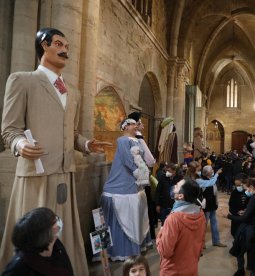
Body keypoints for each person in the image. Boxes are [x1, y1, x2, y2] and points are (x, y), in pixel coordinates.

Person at [0, 27, 111, 274]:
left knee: (63, 236)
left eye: (67, 46)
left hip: (65, 174)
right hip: (35, 176)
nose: (65, 50)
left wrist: (85, 144)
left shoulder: (73, 92)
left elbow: (69, 133)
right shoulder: (22, 80)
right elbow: (9, 130)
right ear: (44, 45)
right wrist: (20, 145)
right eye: (59, 44)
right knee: (33, 243)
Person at [101, 118, 150, 261]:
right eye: (133, 124)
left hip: (135, 184)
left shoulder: (137, 140)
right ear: (125, 126)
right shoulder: (123, 140)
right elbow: (127, 159)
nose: (136, 126)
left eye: (136, 124)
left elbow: (142, 157)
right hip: (123, 183)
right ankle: (120, 250)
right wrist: (138, 173)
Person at [2, 207, 73, 276]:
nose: (59, 222)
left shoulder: (57, 246)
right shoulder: (19, 266)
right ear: (46, 232)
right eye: (56, 220)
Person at [156, 179, 206, 275]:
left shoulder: (174, 219)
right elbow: (201, 244)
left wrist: (160, 234)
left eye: (177, 186)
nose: (174, 187)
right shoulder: (200, 214)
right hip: (191, 269)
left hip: (172, 271)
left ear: (180, 196)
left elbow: (165, 252)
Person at [227, 178, 255, 275]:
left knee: (252, 254)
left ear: (251, 187)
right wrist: (249, 211)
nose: (245, 191)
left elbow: (244, 218)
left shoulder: (254, 198)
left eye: (246, 188)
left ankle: (250, 272)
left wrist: (228, 216)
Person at [128, 112, 157, 241]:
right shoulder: (138, 138)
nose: (143, 125)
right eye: (140, 122)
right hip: (141, 180)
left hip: (131, 180)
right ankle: (147, 237)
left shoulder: (126, 139)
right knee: (146, 208)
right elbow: (150, 160)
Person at [196, 165, 227, 248]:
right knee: (203, 225)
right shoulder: (202, 180)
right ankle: (202, 243)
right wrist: (216, 174)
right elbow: (211, 183)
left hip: (212, 205)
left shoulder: (211, 178)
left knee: (214, 224)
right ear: (207, 173)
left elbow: (215, 192)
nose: (212, 171)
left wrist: (217, 203)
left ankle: (216, 241)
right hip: (206, 206)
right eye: (211, 170)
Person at [228, 173, 250, 276]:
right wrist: (237, 212)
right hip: (237, 222)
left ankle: (250, 266)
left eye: (240, 185)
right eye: (236, 185)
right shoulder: (234, 193)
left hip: (248, 223)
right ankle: (240, 268)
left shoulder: (251, 193)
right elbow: (231, 206)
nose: (238, 187)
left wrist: (246, 211)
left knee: (248, 245)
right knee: (239, 245)